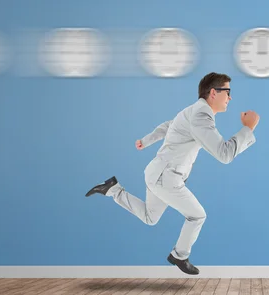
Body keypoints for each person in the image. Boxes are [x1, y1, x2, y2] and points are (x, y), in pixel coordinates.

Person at [85, 72, 259, 275]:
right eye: (227, 92)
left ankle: (113, 189)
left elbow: (169, 126)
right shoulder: (201, 116)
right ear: (213, 92)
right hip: (165, 177)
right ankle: (179, 255)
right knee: (197, 215)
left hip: (157, 173)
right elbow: (224, 154)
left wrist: (146, 140)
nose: (230, 98)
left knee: (151, 218)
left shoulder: (193, 111)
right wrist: (248, 128)